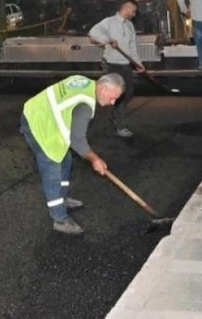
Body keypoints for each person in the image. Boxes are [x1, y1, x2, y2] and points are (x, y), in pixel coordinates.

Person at [20, 74, 125, 235]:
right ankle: (59, 219)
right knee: (52, 167)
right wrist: (94, 159)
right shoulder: (85, 105)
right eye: (112, 98)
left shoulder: (83, 81)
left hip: (39, 111)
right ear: (103, 88)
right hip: (38, 123)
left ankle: (62, 198)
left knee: (66, 160)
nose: (113, 103)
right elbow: (77, 140)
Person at [88, 0, 142, 138]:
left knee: (129, 92)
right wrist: (107, 40)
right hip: (112, 63)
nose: (134, 14)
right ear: (126, 8)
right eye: (133, 11)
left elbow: (132, 47)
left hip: (125, 63)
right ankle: (121, 126)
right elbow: (93, 33)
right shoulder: (109, 22)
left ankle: (115, 114)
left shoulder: (129, 25)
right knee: (119, 94)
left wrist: (138, 63)